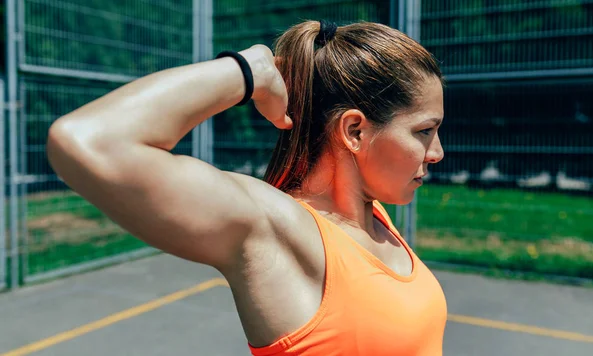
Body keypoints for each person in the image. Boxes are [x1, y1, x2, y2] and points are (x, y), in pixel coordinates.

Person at [47, 19, 446, 356]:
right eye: (424, 131)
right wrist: (247, 71)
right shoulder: (277, 229)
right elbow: (87, 141)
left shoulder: (373, 217)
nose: (437, 153)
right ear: (354, 131)